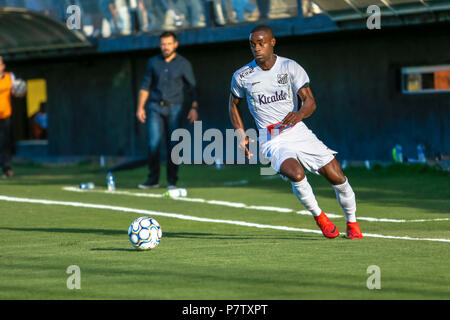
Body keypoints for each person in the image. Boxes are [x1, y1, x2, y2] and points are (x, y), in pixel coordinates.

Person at [228, 25, 363, 239]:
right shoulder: (242, 75)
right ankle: (320, 217)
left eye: (261, 43)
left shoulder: (290, 67)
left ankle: (352, 222)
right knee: (296, 174)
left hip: (297, 131)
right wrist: (240, 134)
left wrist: (299, 115)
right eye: (253, 44)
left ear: (272, 42)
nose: (257, 48)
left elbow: (309, 101)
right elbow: (233, 104)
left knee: (338, 177)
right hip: (271, 139)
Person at [136, 31, 199, 190]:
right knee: (153, 144)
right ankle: (153, 180)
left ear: (175, 44)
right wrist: (140, 107)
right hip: (155, 107)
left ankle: (172, 181)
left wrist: (194, 107)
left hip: (175, 108)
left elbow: (192, 88)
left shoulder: (184, 63)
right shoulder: (153, 62)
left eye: (169, 43)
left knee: (173, 146)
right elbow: (145, 86)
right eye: (163, 44)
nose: (166, 47)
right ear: (160, 45)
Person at [0, 56, 25, 179]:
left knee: (6, 143)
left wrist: (19, 91)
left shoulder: (10, 77)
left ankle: (7, 169)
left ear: (3, 66)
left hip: (5, 116)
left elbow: (17, 91)